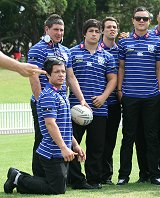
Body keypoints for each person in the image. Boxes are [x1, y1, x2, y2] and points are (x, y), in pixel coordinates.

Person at [4, 57, 86, 195]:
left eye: (63, 71)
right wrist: (64, 147)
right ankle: (18, 178)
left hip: (60, 150)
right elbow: (50, 124)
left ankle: (18, 178)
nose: (61, 75)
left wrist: (75, 144)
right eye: (57, 72)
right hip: (51, 152)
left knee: (58, 185)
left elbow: (64, 126)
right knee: (57, 189)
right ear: (47, 74)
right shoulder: (48, 95)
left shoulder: (61, 94)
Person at [28, 14, 87, 178]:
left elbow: (71, 77)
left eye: (62, 30)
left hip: (62, 102)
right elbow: (33, 76)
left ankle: (66, 177)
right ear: (47, 29)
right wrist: (41, 101)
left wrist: (81, 99)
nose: (59, 33)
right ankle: (39, 176)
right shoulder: (36, 49)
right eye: (56, 30)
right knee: (42, 138)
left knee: (65, 136)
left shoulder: (65, 51)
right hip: (45, 101)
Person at [67, 19, 117, 189]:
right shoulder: (72, 53)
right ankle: (75, 179)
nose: (94, 34)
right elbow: (69, 78)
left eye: (97, 31)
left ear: (100, 33)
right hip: (76, 109)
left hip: (99, 109)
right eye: (91, 31)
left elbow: (113, 79)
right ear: (84, 33)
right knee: (72, 143)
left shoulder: (107, 56)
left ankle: (94, 180)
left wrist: (103, 97)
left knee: (96, 147)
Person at [117, 6, 160, 185]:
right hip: (130, 95)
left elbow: (159, 67)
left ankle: (155, 174)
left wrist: (159, 89)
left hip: (151, 96)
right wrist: (120, 90)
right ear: (133, 21)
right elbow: (121, 67)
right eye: (138, 18)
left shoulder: (157, 42)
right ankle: (123, 175)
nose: (141, 21)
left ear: (150, 21)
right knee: (128, 137)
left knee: (152, 137)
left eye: (145, 18)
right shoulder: (124, 42)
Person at [135, 3, 160, 183]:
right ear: (156, 17)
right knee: (142, 134)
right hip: (147, 93)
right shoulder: (145, 36)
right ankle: (145, 172)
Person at [99, 16, 121, 185]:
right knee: (95, 141)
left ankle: (106, 175)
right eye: (108, 27)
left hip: (114, 103)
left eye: (114, 27)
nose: (112, 29)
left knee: (110, 140)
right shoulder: (95, 48)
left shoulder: (121, 50)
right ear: (102, 30)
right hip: (96, 103)